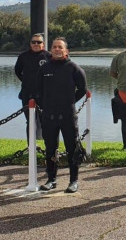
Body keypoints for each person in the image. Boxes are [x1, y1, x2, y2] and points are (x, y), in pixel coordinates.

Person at [35, 37, 87, 193]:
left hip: (68, 115)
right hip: (49, 116)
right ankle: (51, 179)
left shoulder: (74, 68)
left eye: (60, 47)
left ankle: (73, 181)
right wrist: (46, 105)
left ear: (66, 51)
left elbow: (82, 90)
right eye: (54, 47)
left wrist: (69, 101)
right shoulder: (44, 69)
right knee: (50, 148)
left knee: (73, 149)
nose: (57, 49)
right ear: (51, 50)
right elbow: (38, 91)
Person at [14, 33, 50, 141]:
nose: (36, 44)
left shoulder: (49, 56)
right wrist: (26, 81)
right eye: (33, 42)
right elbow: (17, 71)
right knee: (30, 122)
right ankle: (31, 148)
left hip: (45, 96)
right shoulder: (23, 56)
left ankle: (50, 150)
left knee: (47, 122)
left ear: (43, 44)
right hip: (27, 94)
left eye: (38, 42)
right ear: (30, 44)